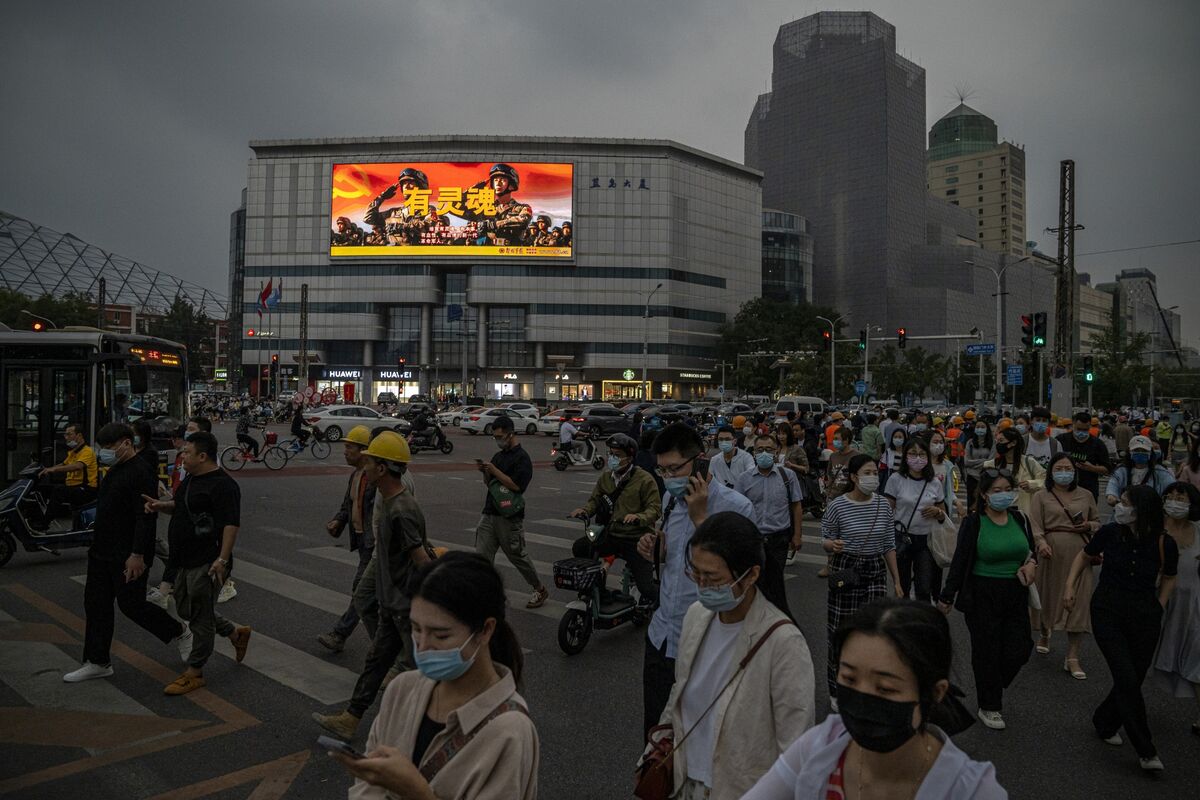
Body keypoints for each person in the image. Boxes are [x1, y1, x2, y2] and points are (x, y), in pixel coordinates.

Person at [742, 598, 1007, 799]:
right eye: (849, 679)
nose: (862, 698)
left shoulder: (973, 791)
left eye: (885, 688)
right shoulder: (819, 747)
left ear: (935, 692)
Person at [336, 553, 539, 799]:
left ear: (485, 630)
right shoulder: (403, 688)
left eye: (440, 636)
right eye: (416, 629)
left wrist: (417, 792)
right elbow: (365, 786)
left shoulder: (510, 732)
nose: (422, 647)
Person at [645, 512, 814, 799]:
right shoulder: (696, 617)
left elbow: (796, 748)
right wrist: (657, 744)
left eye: (712, 577)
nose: (701, 585)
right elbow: (681, 689)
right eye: (695, 573)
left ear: (752, 575)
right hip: (684, 782)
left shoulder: (784, 643)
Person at [314, 431, 433, 740]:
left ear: (382, 469)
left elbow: (420, 556)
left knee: (428, 673)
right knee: (376, 662)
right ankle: (351, 718)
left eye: (369, 462)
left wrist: (441, 595)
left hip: (406, 606)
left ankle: (435, 731)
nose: (363, 467)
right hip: (393, 604)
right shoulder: (391, 501)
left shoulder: (401, 509)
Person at [636, 423, 753, 736]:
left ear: (700, 460)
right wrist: (655, 547)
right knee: (657, 737)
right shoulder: (671, 500)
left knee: (703, 739)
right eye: (662, 471)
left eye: (674, 469)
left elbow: (742, 580)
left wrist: (700, 518)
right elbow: (672, 557)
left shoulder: (737, 508)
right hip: (663, 637)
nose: (669, 478)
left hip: (709, 645)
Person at [63, 423, 192, 683]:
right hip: (101, 551)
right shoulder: (114, 469)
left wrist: (137, 555)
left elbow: (145, 517)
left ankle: (180, 631)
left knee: (132, 605)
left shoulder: (140, 471)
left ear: (126, 443)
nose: (104, 453)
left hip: (126, 553)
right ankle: (98, 661)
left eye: (109, 448)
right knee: (96, 605)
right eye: (102, 448)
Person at [1063, 485, 1179, 771]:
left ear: (1142, 510)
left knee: (1133, 677)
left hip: (1144, 615)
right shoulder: (1110, 532)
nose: (1120, 507)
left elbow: (1169, 577)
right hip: (1107, 610)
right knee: (1125, 675)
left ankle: (1105, 720)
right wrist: (1070, 586)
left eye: (1126, 503)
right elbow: (1084, 555)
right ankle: (1146, 750)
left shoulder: (1165, 543)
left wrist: (1159, 606)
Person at [142, 431, 251, 694]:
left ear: (202, 456)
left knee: (199, 620)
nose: (182, 457)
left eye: (187, 453)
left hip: (207, 560)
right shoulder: (191, 479)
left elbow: (230, 525)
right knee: (187, 609)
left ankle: (195, 671)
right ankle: (235, 633)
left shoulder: (224, 486)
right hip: (183, 559)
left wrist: (222, 560)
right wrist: (161, 506)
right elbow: (181, 507)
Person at [938, 469, 1037, 730]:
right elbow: (960, 561)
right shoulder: (974, 523)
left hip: (1015, 592)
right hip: (982, 594)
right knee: (987, 651)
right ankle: (990, 704)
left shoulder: (1020, 518)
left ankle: (992, 682)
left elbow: (1030, 552)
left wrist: (1031, 564)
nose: (1004, 495)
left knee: (1020, 647)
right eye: (997, 491)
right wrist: (947, 596)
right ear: (984, 495)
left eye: (1008, 489)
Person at [821, 454, 901, 701]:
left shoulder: (882, 505)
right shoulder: (837, 505)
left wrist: (897, 580)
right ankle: (837, 689)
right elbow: (826, 538)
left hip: (875, 569)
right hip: (848, 568)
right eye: (867, 473)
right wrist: (831, 544)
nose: (872, 478)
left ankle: (866, 686)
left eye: (875, 473)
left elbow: (889, 544)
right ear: (854, 477)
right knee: (841, 632)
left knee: (872, 631)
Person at [1028, 452, 1101, 678]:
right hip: (1050, 553)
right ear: (1050, 471)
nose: (1063, 473)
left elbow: (1098, 522)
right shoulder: (1041, 495)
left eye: (1067, 468)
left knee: (1078, 603)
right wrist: (1040, 543)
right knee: (1048, 596)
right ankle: (1045, 632)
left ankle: (1072, 656)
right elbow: (1035, 525)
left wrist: (1088, 525)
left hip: (1080, 553)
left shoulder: (1086, 495)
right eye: (1058, 468)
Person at [569, 434, 661, 606]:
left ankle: (665, 608)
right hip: (611, 535)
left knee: (646, 588)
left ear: (630, 457)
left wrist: (638, 517)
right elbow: (594, 501)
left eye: (617, 455)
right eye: (610, 454)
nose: (612, 458)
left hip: (636, 539)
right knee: (581, 547)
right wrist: (585, 511)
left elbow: (655, 509)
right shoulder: (605, 478)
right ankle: (599, 591)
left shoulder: (644, 479)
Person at [473, 415, 549, 609]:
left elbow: (516, 486)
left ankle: (539, 588)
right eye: (495, 437)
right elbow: (490, 484)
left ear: (510, 434)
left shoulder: (522, 458)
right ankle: (485, 594)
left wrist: (495, 471)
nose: (498, 441)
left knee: (517, 556)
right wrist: (485, 471)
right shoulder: (498, 457)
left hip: (509, 516)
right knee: (482, 558)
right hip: (489, 513)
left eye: (500, 437)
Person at [319, 425, 378, 653]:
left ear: (364, 451)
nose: (345, 451)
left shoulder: (375, 478)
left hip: (374, 545)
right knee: (370, 597)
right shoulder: (356, 475)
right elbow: (349, 504)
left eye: (349, 447)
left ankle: (341, 634)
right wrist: (338, 521)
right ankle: (383, 646)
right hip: (363, 542)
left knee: (362, 592)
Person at [734, 433, 803, 620]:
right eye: (760, 450)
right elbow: (736, 508)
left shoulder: (788, 476)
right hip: (752, 540)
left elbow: (796, 506)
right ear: (754, 452)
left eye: (769, 449)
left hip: (778, 539)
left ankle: (774, 620)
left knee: (775, 583)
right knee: (751, 582)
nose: (764, 453)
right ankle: (752, 618)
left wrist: (797, 535)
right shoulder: (744, 478)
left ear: (776, 452)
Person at [1152, 481, 1200, 735]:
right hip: (1159, 601)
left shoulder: (1199, 530)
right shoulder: (1154, 530)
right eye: (1169, 497)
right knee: (1143, 655)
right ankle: (1123, 708)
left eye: (1180, 498)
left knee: (1197, 657)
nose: (1174, 502)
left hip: (1194, 605)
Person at [885, 437, 949, 603]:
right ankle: (904, 618)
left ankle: (921, 619)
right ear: (906, 456)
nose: (918, 458)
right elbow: (886, 510)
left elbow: (943, 512)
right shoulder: (896, 479)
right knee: (903, 586)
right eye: (913, 454)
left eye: (921, 454)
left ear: (927, 457)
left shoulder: (934, 482)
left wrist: (938, 512)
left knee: (924, 587)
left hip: (926, 541)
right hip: (901, 538)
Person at [36, 423, 98, 529]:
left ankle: (44, 524)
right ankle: (35, 519)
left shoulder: (87, 451)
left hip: (86, 489)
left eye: (69, 434)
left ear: (79, 436)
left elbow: (78, 466)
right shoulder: (74, 452)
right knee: (41, 489)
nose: (66, 437)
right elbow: (64, 464)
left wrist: (54, 469)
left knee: (59, 491)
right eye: (65, 435)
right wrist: (47, 469)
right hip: (74, 487)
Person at [983, 426, 1045, 515]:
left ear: (1013, 443)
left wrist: (1032, 484)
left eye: (1001, 441)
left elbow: (1046, 481)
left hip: (1023, 512)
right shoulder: (990, 465)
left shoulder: (1029, 462)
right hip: (996, 512)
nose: (998, 444)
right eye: (996, 441)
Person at [1104, 435, 1174, 507]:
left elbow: (1172, 488)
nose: (1140, 453)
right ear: (1130, 452)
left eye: (1144, 451)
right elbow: (1113, 485)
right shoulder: (1121, 470)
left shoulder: (1160, 472)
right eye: (1136, 450)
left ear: (1150, 453)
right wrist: (1111, 496)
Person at [1057, 411, 1112, 501]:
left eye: (1085, 430)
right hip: (1064, 488)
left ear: (1090, 426)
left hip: (1088, 489)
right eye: (1078, 429)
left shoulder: (1097, 444)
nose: (1081, 432)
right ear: (1073, 425)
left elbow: (1107, 469)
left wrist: (1092, 468)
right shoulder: (1061, 440)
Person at [929, 429, 965, 520]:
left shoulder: (947, 465)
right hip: (924, 510)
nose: (939, 445)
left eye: (941, 442)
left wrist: (957, 502)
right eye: (935, 442)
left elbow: (948, 491)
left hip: (941, 510)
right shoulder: (920, 464)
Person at [709, 425, 753, 489]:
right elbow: (710, 481)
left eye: (727, 439)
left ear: (734, 441)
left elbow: (751, 478)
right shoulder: (714, 460)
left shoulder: (746, 458)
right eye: (721, 439)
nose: (724, 442)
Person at [963, 420, 994, 510]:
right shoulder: (970, 443)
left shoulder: (992, 442)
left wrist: (975, 462)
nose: (980, 429)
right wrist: (984, 461)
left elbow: (991, 462)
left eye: (982, 427)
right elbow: (966, 462)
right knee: (971, 504)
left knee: (985, 505)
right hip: (972, 477)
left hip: (986, 477)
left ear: (987, 429)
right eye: (978, 427)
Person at [879, 426, 907, 495]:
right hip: (890, 483)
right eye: (895, 437)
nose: (897, 439)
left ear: (904, 439)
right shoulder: (888, 452)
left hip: (905, 483)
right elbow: (882, 468)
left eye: (900, 437)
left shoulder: (908, 452)